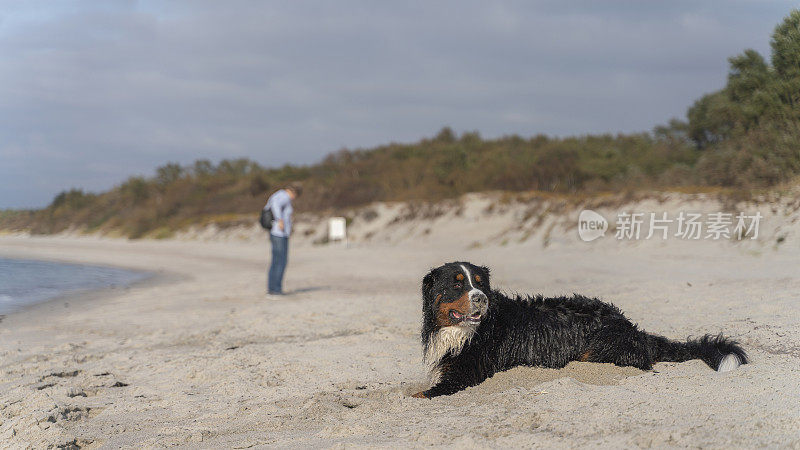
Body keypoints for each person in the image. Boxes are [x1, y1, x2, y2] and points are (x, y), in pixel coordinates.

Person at [265, 183, 302, 295]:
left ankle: (273, 288)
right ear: (293, 192)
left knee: (276, 260)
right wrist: (279, 220)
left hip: (276, 233)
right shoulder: (284, 196)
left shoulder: (278, 194)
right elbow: (275, 205)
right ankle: (276, 289)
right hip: (279, 233)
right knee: (280, 261)